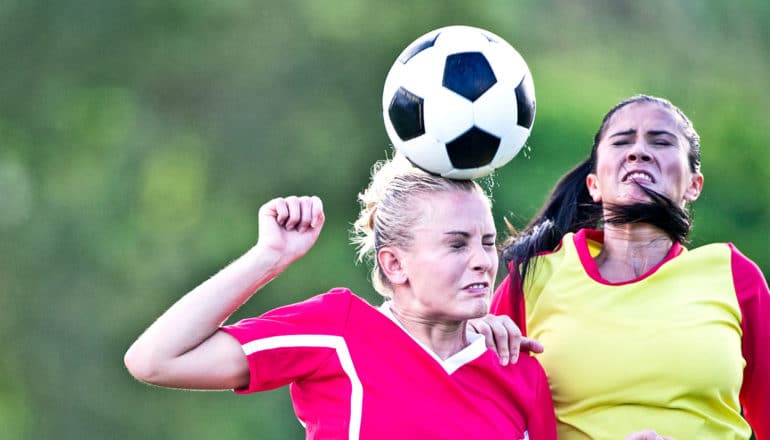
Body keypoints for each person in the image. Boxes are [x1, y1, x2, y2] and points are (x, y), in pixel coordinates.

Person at [124, 155, 557, 439]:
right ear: (393, 264)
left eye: (486, 241)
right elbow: (155, 359)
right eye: (457, 244)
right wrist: (268, 257)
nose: (483, 260)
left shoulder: (519, 371)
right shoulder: (338, 330)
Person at [490, 94, 770, 439]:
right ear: (594, 184)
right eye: (622, 141)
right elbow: (482, 413)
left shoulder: (733, 275)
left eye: (661, 141)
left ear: (694, 186)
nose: (638, 151)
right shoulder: (533, 279)